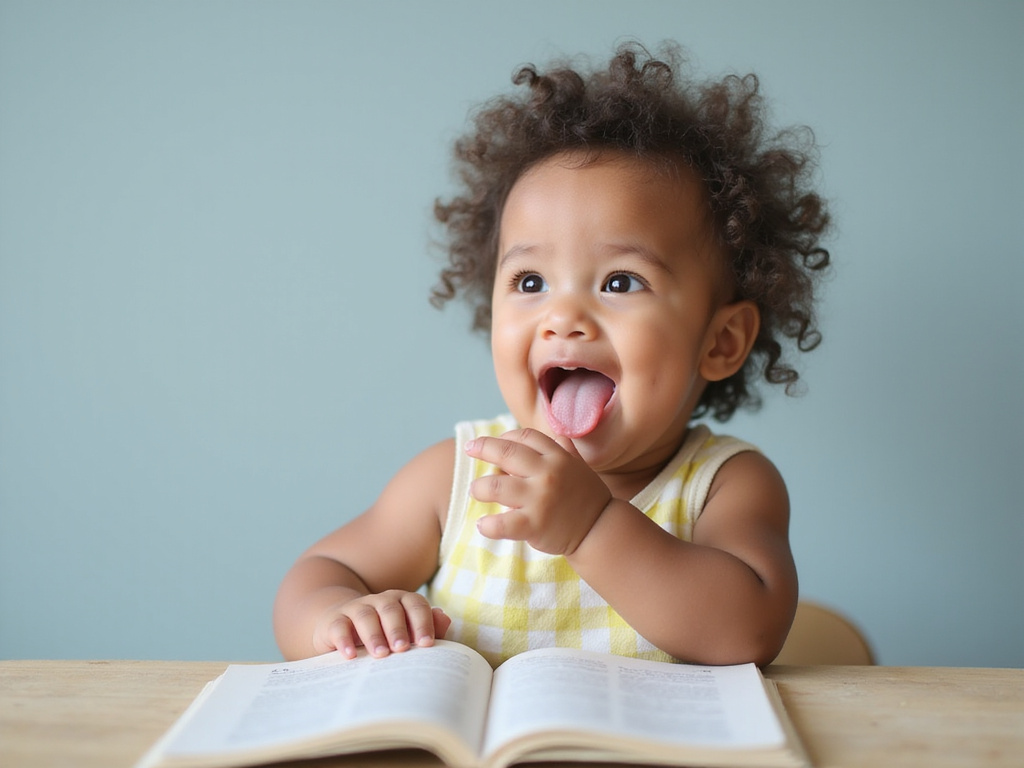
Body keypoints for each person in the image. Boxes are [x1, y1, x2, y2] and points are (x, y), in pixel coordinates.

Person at [273, 42, 831, 667]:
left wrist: (591, 527)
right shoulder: (457, 478)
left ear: (720, 341)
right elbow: (322, 572)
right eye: (531, 281)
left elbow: (747, 632)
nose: (563, 317)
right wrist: (339, 617)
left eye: (620, 282)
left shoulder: (725, 485)